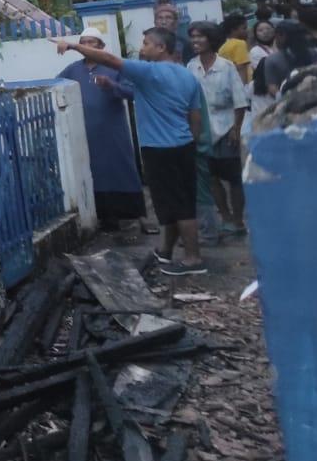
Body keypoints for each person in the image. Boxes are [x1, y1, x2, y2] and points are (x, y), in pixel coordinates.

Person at [56, 27, 206, 275]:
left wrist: (72, 45)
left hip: (160, 148)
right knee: (169, 204)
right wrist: (192, 140)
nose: (142, 47)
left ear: (161, 48)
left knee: (180, 206)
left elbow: (110, 60)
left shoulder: (148, 71)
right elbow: (196, 116)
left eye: (147, 43)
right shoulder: (187, 75)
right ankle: (166, 251)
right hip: (183, 144)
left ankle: (193, 259)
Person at [55, 32, 144, 230]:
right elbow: (56, 87)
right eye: (84, 42)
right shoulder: (73, 70)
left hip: (112, 129)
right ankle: (102, 215)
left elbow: (131, 93)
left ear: (101, 46)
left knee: (117, 167)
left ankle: (127, 213)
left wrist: (111, 86)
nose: (87, 45)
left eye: (92, 42)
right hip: (86, 130)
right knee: (93, 170)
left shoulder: (114, 68)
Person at [187, 22, 250, 237]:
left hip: (226, 128)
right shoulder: (191, 67)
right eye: (193, 37)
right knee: (210, 176)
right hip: (202, 130)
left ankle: (238, 219)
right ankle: (225, 216)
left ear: (211, 39)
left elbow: (239, 100)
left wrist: (236, 128)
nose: (195, 41)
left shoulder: (226, 66)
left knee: (233, 177)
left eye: (200, 37)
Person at [261, 17, 317, 98]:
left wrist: (284, 99)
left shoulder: (271, 60)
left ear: (281, 35)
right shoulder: (315, 52)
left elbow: (272, 87)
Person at [215, 12, 253, 85]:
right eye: (244, 28)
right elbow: (241, 68)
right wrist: (244, 90)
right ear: (233, 30)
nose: (247, 30)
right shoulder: (239, 44)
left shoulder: (223, 47)